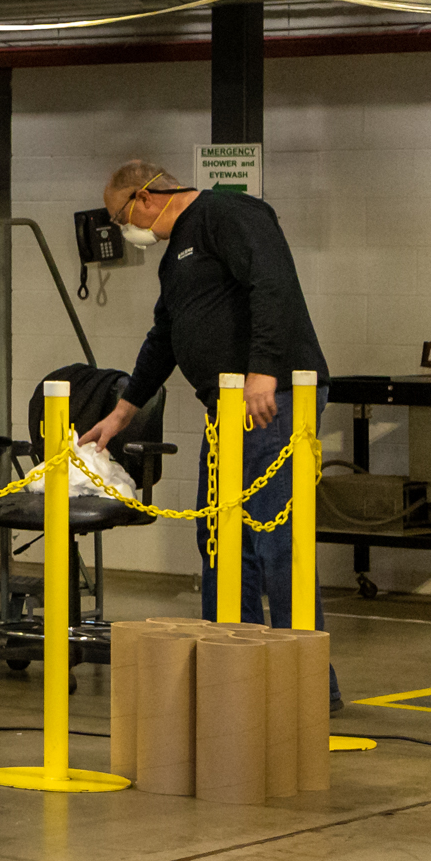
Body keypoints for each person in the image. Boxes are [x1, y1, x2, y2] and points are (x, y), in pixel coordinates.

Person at [78, 161, 331, 645]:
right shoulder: (175, 256)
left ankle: (307, 682)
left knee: (276, 541)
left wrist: (263, 371)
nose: (121, 229)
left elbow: (272, 283)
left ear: (144, 198)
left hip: (270, 401)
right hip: (226, 410)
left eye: (119, 217)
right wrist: (123, 410)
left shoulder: (228, 213)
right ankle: (232, 665)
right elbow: (165, 336)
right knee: (220, 537)